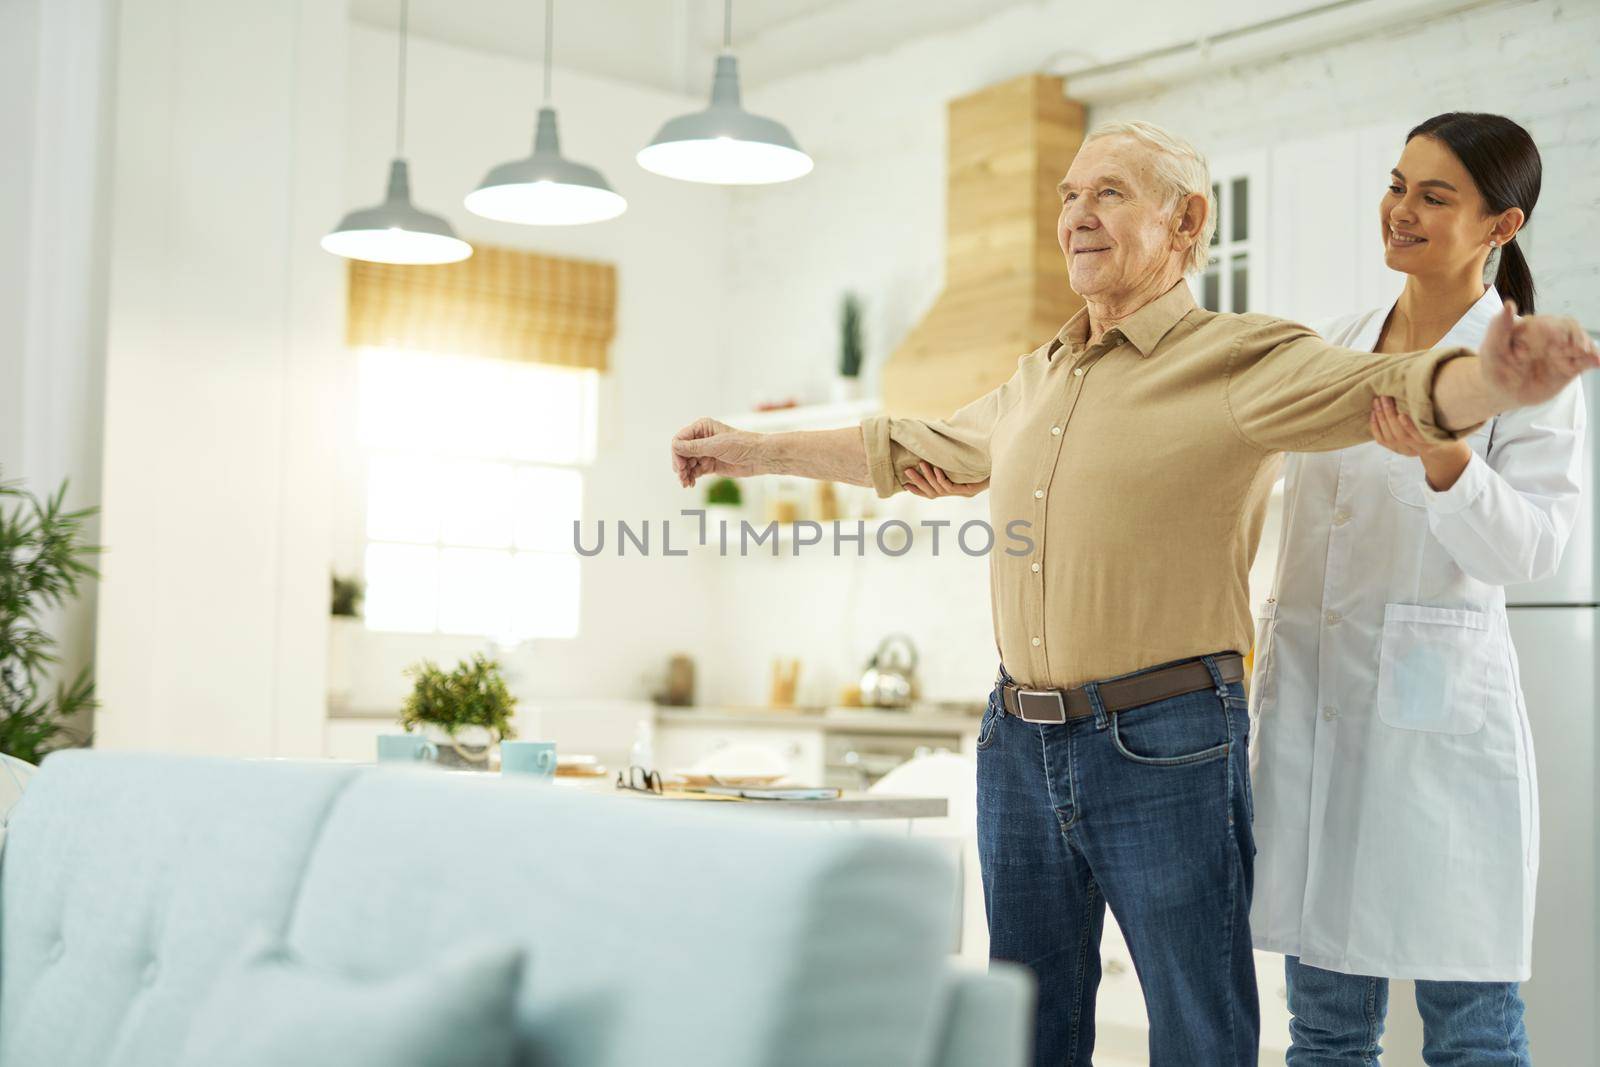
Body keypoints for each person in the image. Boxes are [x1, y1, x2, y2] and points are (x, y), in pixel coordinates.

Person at [667, 120, 1598, 1066]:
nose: (1077, 216)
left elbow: (1391, 387)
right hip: (1022, 742)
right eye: (1068, 195)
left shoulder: (1243, 356)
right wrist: (746, 449)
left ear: (1186, 220)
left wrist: (1492, 379)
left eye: (1107, 193)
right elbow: (916, 446)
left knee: (1214, 1031)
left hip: (1167, 737)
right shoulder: (1043, 372)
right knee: (1036, 1029)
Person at [1246, 112, 1583, 1067]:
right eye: (1398, 184)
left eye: (1435, 196)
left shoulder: (1523, 368)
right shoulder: (1342, 347)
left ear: (1499, 228)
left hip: (1438, 735)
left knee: (1473, 1032)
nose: (1400, 210)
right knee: (1325, 1032)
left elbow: (1535, 549)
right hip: (1315, 713)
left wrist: (1447, 462)